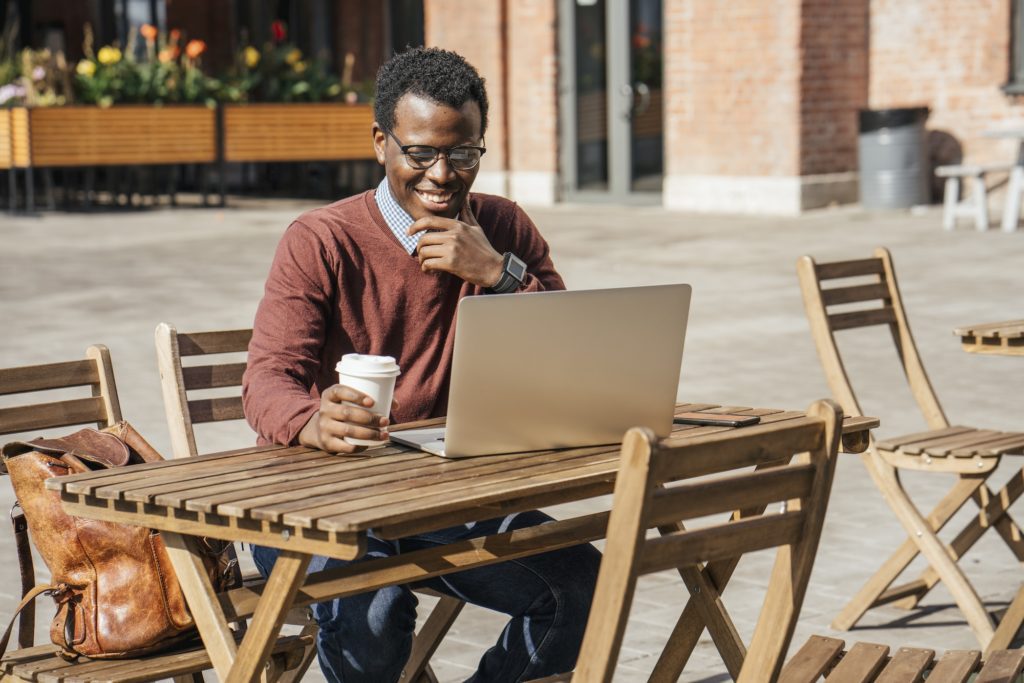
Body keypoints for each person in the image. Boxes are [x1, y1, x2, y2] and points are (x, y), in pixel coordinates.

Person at [242, 46, 601, 683]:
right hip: (315, 504)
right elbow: (267, 380)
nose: (442, 174)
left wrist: (497, 272)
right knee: (375, 610)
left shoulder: (501, 227)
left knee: (583, 586)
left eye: (462, 153)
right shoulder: (321, 240)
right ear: (381, 143)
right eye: (420, 153)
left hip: (442, 500)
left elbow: (574, 352)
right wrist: (309, 420)